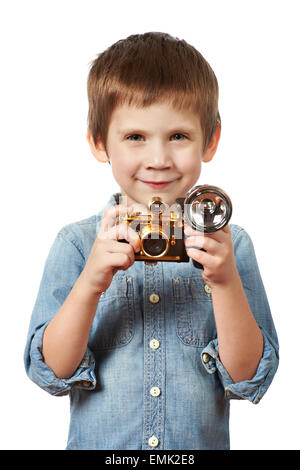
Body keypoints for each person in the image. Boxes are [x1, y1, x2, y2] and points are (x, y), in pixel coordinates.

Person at [24, 32, 279, 450]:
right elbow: (50, 371)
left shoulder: (230, 245)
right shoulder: (76, 243)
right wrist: (90, 281)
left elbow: (247, 376)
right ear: (98, 142)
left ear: (210, 140)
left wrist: (226, 280)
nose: (158, 159)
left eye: (178, 136)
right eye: (135, 137)